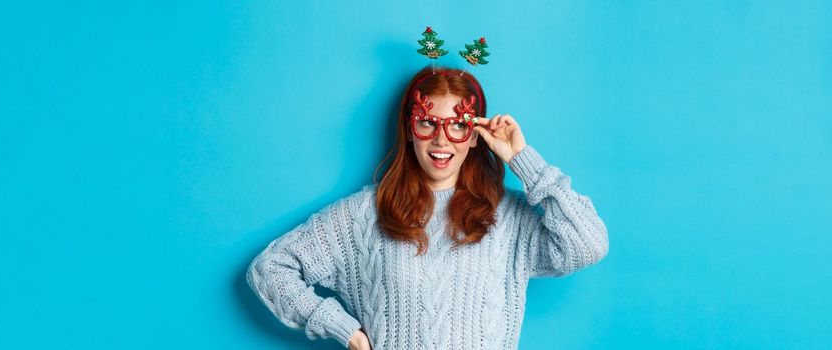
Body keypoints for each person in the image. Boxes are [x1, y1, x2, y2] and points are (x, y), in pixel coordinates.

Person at [246, 66, 609, 350]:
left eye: (457, 126)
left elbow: (588, 244)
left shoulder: (508, 218)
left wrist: (522, 158)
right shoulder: (362, 215)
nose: (440, 139)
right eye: (427, 122)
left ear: (474, 134)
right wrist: (348, 332)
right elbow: (271, 269)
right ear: (409, 127)